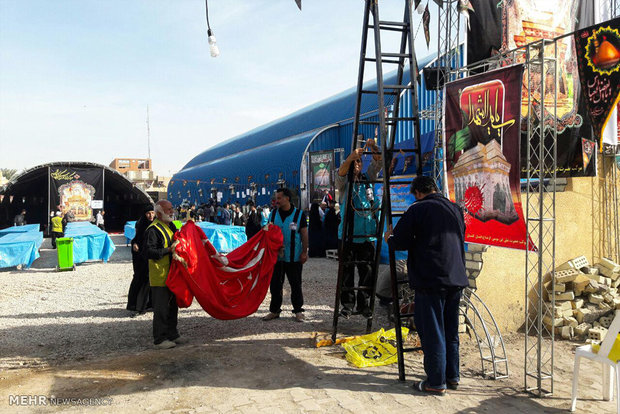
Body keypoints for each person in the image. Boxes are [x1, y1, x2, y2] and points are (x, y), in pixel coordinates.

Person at [384, 176, 468, 396]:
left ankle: (435, 381)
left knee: (432, 332)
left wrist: (388, 238)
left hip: (431, 278)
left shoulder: (417, 209)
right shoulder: (455, 209)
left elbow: (399, 242)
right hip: (456, 277)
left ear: (417, 193)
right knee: (450, 330)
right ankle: (452, 376)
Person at [336, 137, 382, 319]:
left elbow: (378, 163)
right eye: (354, 162)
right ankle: (347, 305)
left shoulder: (367, 179)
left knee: (368, 272)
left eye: (359, 162)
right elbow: (340, 173)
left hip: (368, 235)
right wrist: (349, 158)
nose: (357, 165)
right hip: (348, 235)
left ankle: (365, 305)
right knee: (346, 272)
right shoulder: (344, 183)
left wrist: (373, 147)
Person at [263, 188, 309, 322]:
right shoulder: (272, 215)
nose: (276, 201)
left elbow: (305, 234)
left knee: (295, 284)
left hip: (294, 257)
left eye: (279, 198)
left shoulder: (299, 215)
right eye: (276, 198)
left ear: (287, 198)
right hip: (276, 258)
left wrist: (304, 252)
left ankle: (298, 311)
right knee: (275, 285)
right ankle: (274, 311)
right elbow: (267, 231)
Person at [144, 200, 181, 349]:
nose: (172, 211)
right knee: (161, 309)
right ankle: (159, 339)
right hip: (160, 276)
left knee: (173, 306)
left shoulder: (170, 226)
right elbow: (148, 252)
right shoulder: (152, 230)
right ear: (159, 213)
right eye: (169, 209)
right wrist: (168, 250)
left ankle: (173, 334)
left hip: (172, 275)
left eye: (172, 209)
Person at [127, 205, 156, 316]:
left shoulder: (157, 224)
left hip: (152, 255)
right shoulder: (141, 224)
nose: (150, 215)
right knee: (141, 279)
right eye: (148, 213)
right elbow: (137, 237)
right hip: (141, 256)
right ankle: (138, 305)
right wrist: (134, 243)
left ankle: (150, 303)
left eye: (152, 213)